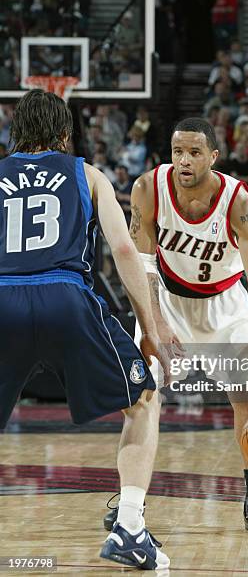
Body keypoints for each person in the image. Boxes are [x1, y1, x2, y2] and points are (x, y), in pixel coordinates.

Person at [0, 90, 170, 571]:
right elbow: (122, 250)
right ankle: (131, 528)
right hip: (66, 297)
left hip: (2, 297)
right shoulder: (86, 173)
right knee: (142, 400)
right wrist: (151, 328)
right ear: (64, 133)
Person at [104, 117, 248, 536]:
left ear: (213, 156)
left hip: (224, 308)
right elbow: (143, 267)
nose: (184, 160)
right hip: (166, 302)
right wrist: (155, 324)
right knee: (142, 397)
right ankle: (130, 500)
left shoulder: (238, 203)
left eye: (194, 152)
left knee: (246, 401)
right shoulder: (148, 189)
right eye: (177, 152)